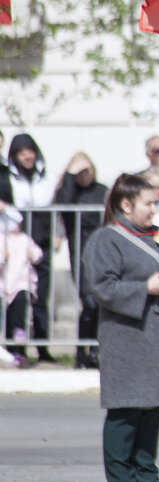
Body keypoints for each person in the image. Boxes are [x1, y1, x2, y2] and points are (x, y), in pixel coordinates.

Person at [83, 173, 159, 482]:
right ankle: (121, 481)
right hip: (129, 336)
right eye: (148, 204)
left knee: (152, 408)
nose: (154, 210)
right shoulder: (107, 239)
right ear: (126, 204)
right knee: (126, 409)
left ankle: (147, 476)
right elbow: (103, 287)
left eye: (156, 203)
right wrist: (144, 288)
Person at [55, 153, 109, 369]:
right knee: (87, 302)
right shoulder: (69, 193)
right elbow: (65, 205)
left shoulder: (101, 190)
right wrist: (70, 175)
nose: (85, 174)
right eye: (79, 171)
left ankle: (95, 352)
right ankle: (81, 353)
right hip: (80, 251)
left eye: (87, 169)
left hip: (101, 251)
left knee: (99, 303)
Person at [8, 133, 58, 362]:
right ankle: (16, 349)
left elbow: (57, 208)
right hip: (17, 245)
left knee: (41, 298)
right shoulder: (8, 179)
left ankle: (42, 348)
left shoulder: (45, 178)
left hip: (42, 243)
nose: (27, 155)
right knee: (16, 296)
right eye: (22, 151)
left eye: (30, 150)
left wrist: (58, 234)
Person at [1, 206, 41, 369]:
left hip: (22, 283)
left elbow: (37, 254)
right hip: (5, 286)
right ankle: (11, 353)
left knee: (20, 314)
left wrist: (33, 254)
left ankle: (20, 347)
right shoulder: (3, 239)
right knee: (8, 319)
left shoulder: (25, 239)